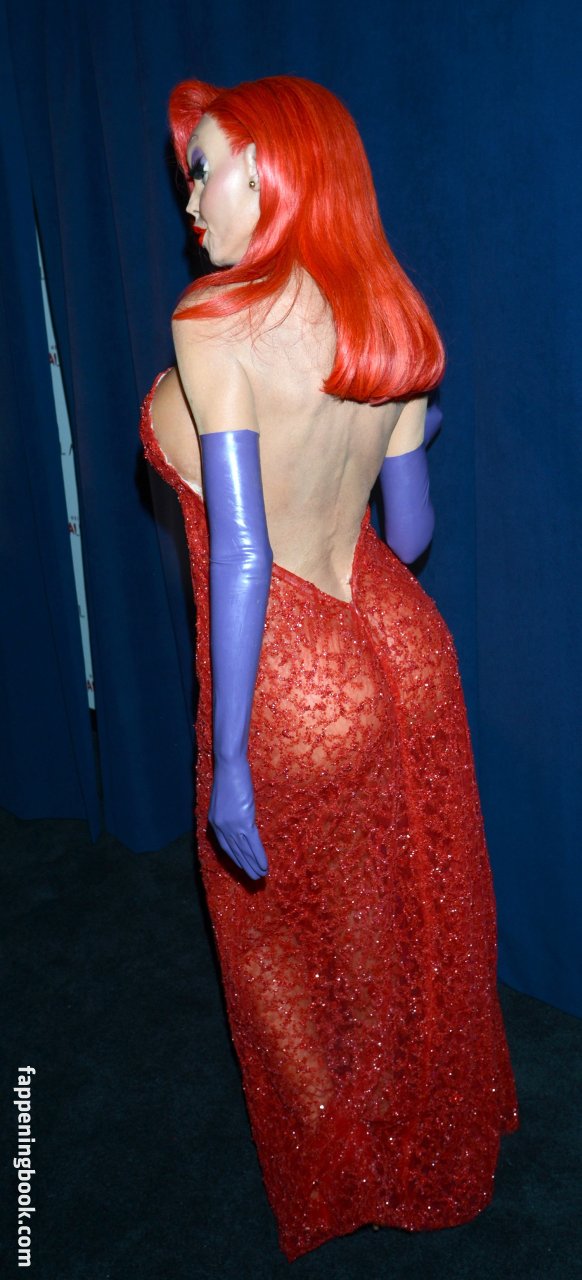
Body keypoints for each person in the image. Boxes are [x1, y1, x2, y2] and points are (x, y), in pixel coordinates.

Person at [140, 74, 519, 1263]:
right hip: (403, 637)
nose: (190, 198)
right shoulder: (384, 309)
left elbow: (244, 549)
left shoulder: (211, 323)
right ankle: (431, 1133)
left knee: (280, 943)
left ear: (278, 169)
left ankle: (348, 1168)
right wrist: (413, 432)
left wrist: (230, 760)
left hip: (294, 664)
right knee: (409, 903)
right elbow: (409, 528)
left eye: (207, 168)